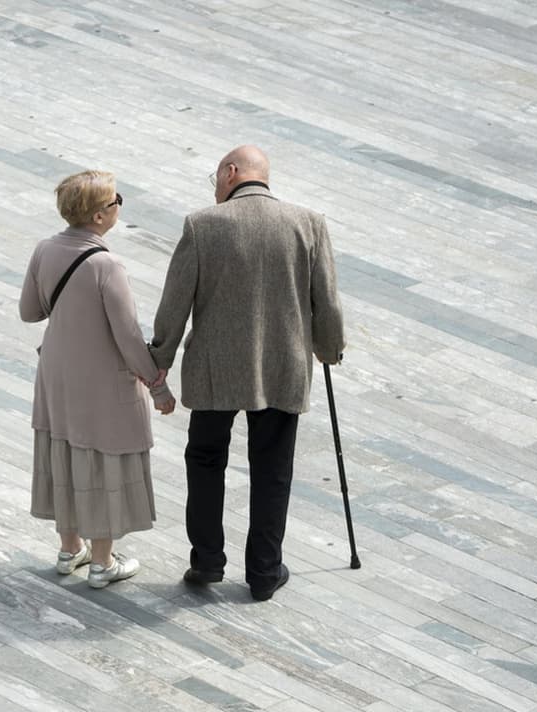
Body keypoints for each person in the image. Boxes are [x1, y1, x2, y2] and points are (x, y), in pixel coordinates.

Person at [148, 145, 345, 601]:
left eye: (215, 177)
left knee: (205, 461)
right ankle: (263, 572)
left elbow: (174, 303)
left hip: (216, 369)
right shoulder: (308, 223)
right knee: (273, 469)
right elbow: (327, 302)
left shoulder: (202, 225)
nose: (215, 189)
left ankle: (208, 561)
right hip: (283, 366)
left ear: (231, 173)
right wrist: (329, 350)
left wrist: (160, 358)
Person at [20, 170, 175, 589]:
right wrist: (157, 387)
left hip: (56, 372)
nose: (118, 207)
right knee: (101, 460)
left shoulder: (44, 249)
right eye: (115, 200)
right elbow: (127, 338)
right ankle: (103, 563)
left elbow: (30, 312)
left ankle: (70, 549)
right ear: (99, 216)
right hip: (102, 382)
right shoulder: (107, 265)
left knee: (63, 449)